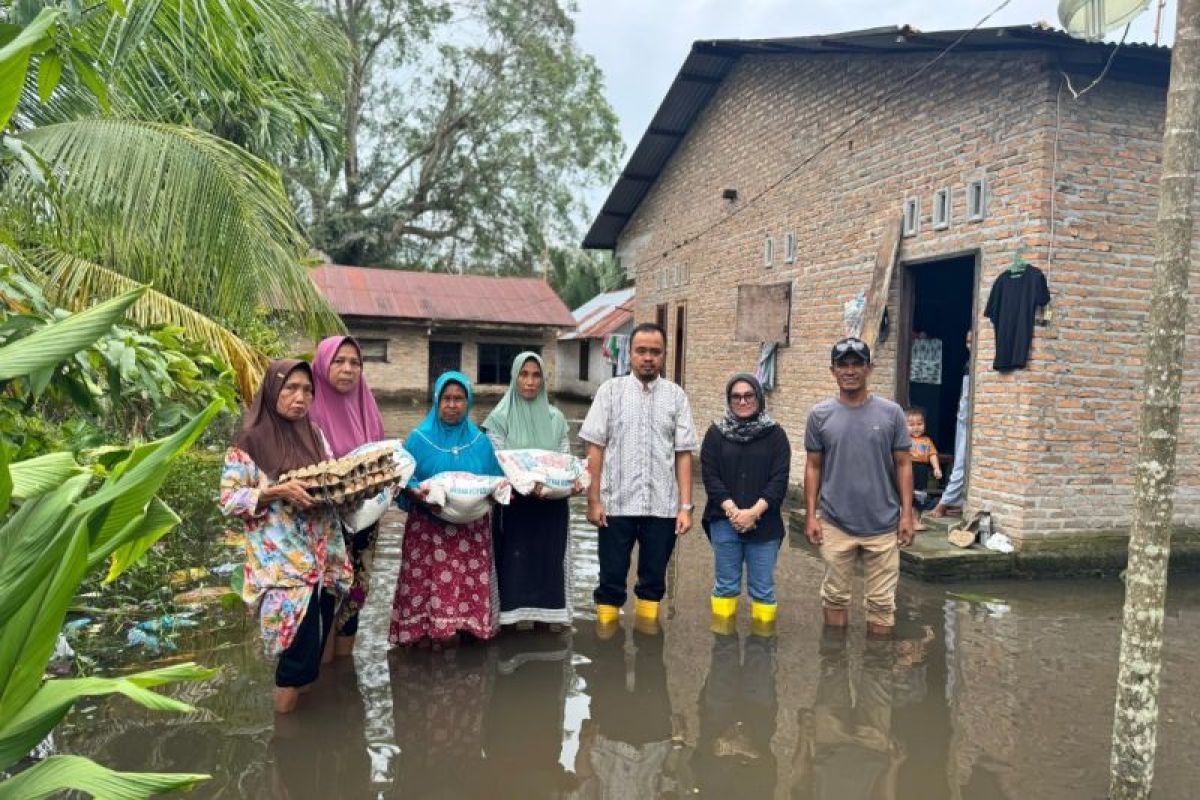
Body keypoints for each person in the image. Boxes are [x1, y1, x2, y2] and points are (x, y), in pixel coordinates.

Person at [219, 359, 352, 713]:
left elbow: (327, 479)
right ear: (273, 390)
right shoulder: (249, 441)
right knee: (293, 659)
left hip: (322, 560)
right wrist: (276, 492)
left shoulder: (315, 434)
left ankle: (306, 743)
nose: (300, 397)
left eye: (308, 390)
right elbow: (230, 500)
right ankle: (285, 745)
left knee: (311, 652)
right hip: (283, 567)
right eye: (291, 388)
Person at [579, 322, 699, 630]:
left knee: (653, 581)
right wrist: (593, 501)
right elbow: (595, 449)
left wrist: (685, 508)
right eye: (641, 351)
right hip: (615, 505)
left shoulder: (676, 397)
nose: (648, 358)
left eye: (655, 352)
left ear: (664, 355)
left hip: (662, 508)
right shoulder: (610, 392)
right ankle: (608, 652)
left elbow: (683, 453)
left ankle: (648, 648)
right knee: (610, 580)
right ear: (630, 354)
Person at [804, 337, 913, 637]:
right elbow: (813, 466)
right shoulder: (819, 415)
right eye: (843, 365)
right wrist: (812, 516)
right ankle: (834, 663)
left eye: (856, 364)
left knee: (881, 603)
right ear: (833, 371)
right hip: (836, 522)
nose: (850, 371)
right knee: (835, 596)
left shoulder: (892, 414)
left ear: (869, 369)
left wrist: (906, 515)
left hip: (883, 523)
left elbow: (904, 464)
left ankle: (876, 671)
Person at [388, 371, 502, 648]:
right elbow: (403, 481)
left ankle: (464, 637)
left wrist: (494, 494)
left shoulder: (481, 442)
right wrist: (417, 494)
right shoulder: (418, 439)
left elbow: (497, 483)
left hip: (470, 536)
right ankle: (421, 640)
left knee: (464, 593)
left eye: (459, 399)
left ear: (468, 402)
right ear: (437, 400)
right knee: (425, 590)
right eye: (446, 398)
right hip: (427, 533)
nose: (452, 405)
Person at [483, 351, 576, 631]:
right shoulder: (498, 419)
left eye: (536, 375)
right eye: (524, 374)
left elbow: (564, 460)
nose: (530, 382)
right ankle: (508, 639)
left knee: (547, 573)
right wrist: (527, 483)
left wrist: (567, 481)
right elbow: (499, 460)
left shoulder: (556, 418)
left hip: (550, 509)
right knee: (512, 573)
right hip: (513, 511)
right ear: (514, 377)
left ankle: (544, 636)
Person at [307, 335, 387, 656]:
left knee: (355, 595)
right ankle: (321, 673)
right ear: (324, 365)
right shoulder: (306, 412)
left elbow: (383, 462)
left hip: (365, 522)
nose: (347, 369)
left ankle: (343, 676)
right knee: (326, 597)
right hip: (324, 526)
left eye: (355, 363)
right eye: (339, 361)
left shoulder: (368, 407)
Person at [700, 373, 790, 634]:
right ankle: (723, 651)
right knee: (726, 585)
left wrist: (753, 513)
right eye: (736, 396)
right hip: (724, 521)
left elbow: (779, 479)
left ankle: (760, 656)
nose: (742, 401)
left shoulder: (776, 435)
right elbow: (710, 476)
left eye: (748, 395)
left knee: (762, 589)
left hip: (765, 523)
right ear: (729, 399)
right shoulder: (716, 434)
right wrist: (733, 511)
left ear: (759, 398)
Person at [931, 331, 972, 518]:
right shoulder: (968, 364)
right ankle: (955, 501)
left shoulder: (977, 366)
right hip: (963, 418)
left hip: (970, 420)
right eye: (967, 340)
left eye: (973, 340)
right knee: (960, 459)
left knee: (962, 461)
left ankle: (944, 502)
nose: (970, 344)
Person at [905, 406, 941, 532]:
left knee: (919, 495)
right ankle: (907, 521)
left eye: (919, 424)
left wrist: (936, 468)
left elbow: (932, 455)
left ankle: (916, 520)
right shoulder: (904, 439)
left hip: (922, 469)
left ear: (924, 424)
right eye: (911, 424)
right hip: (907, 467)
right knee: (907, 494)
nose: (916, 427)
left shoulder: (927, 441)